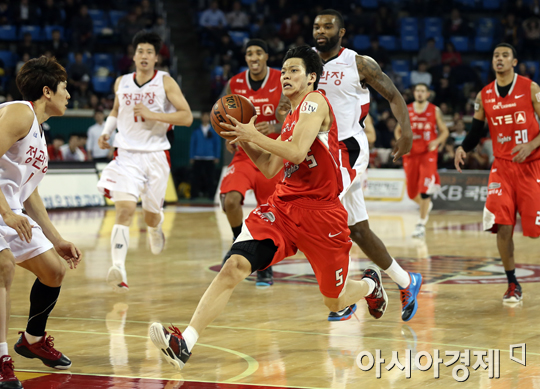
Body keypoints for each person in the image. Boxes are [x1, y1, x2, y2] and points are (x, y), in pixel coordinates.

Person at [149, 45, 388, 370]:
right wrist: (243, 137)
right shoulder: (289, 118)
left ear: (312, 78)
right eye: (285, 70)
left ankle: (371, 284)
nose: (286, 76)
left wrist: (252, 133)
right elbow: (270, 168)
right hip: (283, 208)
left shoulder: (315, 102)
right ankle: (185, 342)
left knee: (334, 299)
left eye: (294, 70)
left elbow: (296, 153)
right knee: (234, 266)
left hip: (322, 214)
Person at [301, 9, 421, 322]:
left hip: (349, 149)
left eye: (328, 25)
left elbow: (393, 95)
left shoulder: (358, 63)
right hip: (319, 151)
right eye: (317, 25)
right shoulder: (304, 64)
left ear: (341, 32)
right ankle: (407, 282)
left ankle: (344, 297)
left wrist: (406, 130)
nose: (321, 30)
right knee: (359, 231)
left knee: (321, 212)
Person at [0, 56, 82, 388]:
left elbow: (28, 192)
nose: (69, 96)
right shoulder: (20, 112)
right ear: (47, 91)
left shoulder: (37, 129)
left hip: (10, 209)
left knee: (54, 271)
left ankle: (32, 340)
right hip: (4, 210)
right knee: (4, 268)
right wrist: (6, 212)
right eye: (65, 89)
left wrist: (56, 238)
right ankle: (1, 358)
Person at [97, 31, 193, 292]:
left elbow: (186, 117)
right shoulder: (122, 82)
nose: (144, 56)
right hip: (126, 154)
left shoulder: (166, 82)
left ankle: (155, 226)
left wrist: (154, 115)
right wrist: (107, 131)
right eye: (140, 51)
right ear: (134, 55)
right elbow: (116, 111)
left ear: (156, 58)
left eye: (149, 52)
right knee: (125, 209)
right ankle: (118, 267)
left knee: (150, 216)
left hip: (155, 155)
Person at [455, 43, 540, 303]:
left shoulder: (531, 88)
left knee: (535, 228)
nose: (499, 59)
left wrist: (532, 144)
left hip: (532, 165)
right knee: (502, 224)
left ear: (514, 62)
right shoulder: (484, 94)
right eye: (496, 56)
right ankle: (512, 282)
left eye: (505, 56)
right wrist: (463, 147)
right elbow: (477, 129)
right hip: (501, 167)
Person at [219, 39, 283, 287]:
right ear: (245, 58)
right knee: (230, 200)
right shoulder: (234, 83)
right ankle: (239, 243)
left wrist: (277, 126)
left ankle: (265, 266)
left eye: (258, 53)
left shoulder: (280, 79)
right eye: (249, 54)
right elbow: (225, 114)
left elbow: (295, 112)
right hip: (245, 153)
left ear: (266, 56)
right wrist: (228, 135)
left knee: (270, 215)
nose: (254, 57)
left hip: (272, 155)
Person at [395, 83, 449, 238]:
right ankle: (426, 206)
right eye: (417, 90)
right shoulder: (407, 109)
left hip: (427, 155)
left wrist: (437, 142)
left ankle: (421, 223)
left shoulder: (434, 110)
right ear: (414, 93)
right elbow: (397, 130)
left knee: (424, 190)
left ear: (427, 94)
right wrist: (401, 143)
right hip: (410, 155)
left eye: (422, 91)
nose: (419, 93)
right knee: (412, 194)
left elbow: (444, 131)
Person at [189, 112, 221, 199]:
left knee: (210, 178)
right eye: (204, 116)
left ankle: (211, 195)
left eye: (207, 116)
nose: (205, 118)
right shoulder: (196, 130)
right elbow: (192, 144)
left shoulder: (214, 130)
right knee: (196, 177)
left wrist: (216, 156)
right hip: (198, 157)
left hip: (210, 157)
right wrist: (192, 156)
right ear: (201, 118)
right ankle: (194, 195)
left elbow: (217, 144)